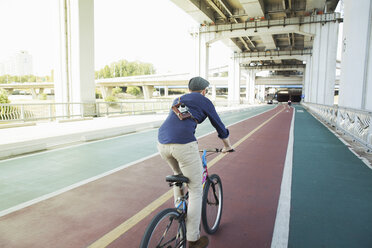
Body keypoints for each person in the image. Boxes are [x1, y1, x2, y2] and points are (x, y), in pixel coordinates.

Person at [157, 76, 233, 248]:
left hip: (162, 144)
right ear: (204, 90)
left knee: (178, 177)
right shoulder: (204, 101)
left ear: (189, 89)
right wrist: (227, 145)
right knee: (196, 188)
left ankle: (179, 212)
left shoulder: (178, 99)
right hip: (184, 144)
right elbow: (219, 126)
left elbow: (178, 123)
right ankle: (193, 239)